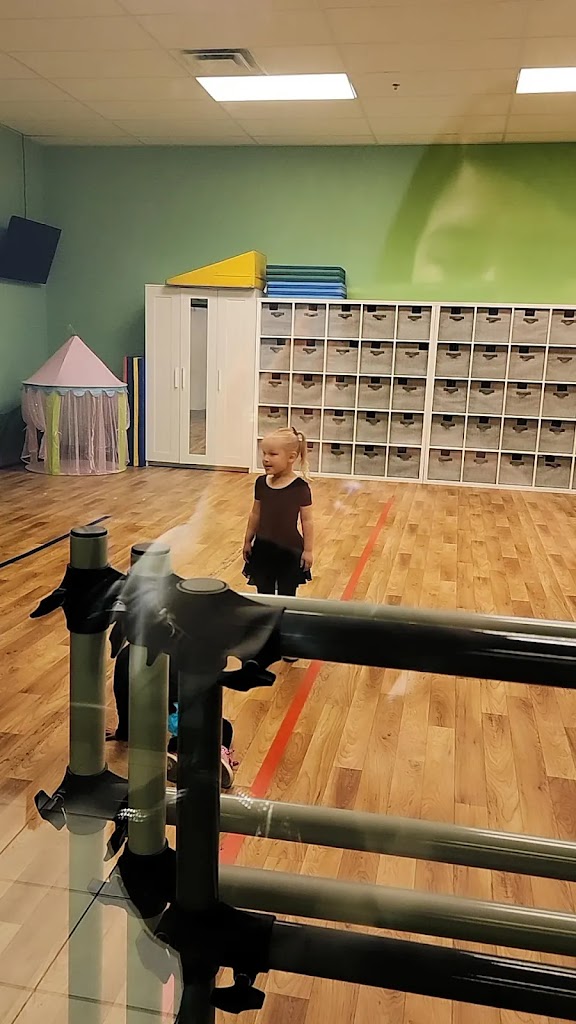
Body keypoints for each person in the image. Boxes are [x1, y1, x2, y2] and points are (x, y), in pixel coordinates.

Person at [107, 644, 238, 789]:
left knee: (178, 726)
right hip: (185, 707)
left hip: (155, 710)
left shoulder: (128, 653)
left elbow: (122, 693)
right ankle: (218, 752)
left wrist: (124, 732)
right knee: (223, 727)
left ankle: (176, 752)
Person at [243, 426, 314, 615]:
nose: (265, 459)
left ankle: (284, 623)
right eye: (264, 453)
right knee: (263, 595)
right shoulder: (261, 483)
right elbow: (255, 514)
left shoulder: (300, 487)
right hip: (263, 548)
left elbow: (307, 521)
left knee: (286, 596)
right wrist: (247, 540)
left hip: (288, 551)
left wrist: (308, 550)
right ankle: (266, 623)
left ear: (291, 457)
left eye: (273, 454)